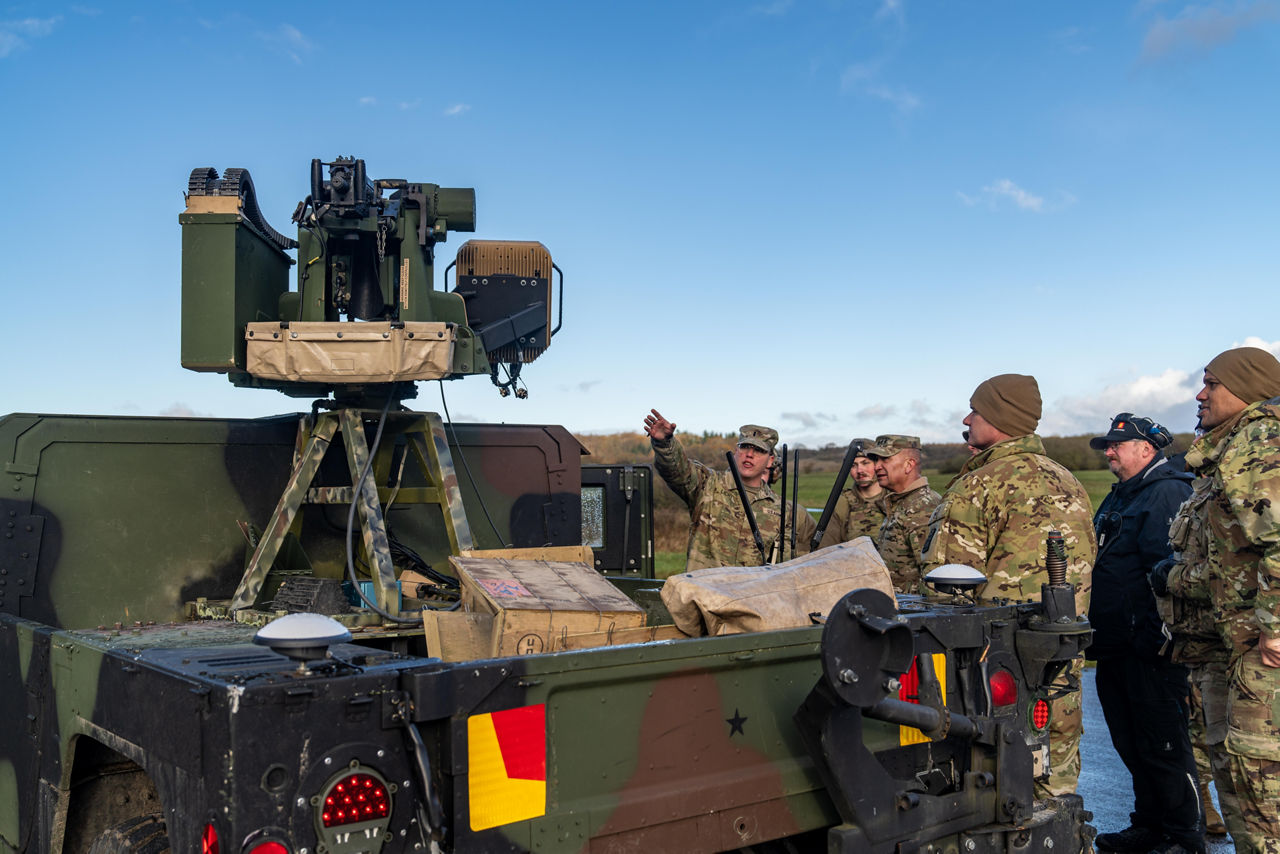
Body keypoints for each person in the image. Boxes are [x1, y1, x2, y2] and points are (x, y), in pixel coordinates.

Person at [921, 373, 1096, 800]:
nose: (967, 420)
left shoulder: (979, 486)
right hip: (1060, 665)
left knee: (995, 798)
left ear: (999, 417)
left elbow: (944, 591)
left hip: (995, 677)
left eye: (975, 411)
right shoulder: (1069, 482)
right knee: (1055, 791)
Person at [1086, 414, 1201, 854]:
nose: (1109, 452)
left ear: (1147, 449)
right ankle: (1149, 824)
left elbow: (1166, 572)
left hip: (1150, 649)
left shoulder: (1166, 491)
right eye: (1108, 446)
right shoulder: (1122, 494)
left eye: (1117, 445)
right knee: (1132, 744)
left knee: (1165, 747)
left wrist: (1156, 641)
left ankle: (1183, 836)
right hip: (1116, 645)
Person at [1180, 346, 1280, 854]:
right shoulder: (1234, 445)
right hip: (1238, 645)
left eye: (1212, 383)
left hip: (1263, 653)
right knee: (1246, 784)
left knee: (1262, 788)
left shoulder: (1258, 441)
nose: (1201, 394)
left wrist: (1275, 628)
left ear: (1245, 387)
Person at [1152, 472, 1241, 842]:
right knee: (1202, 727)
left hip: (1226, 638)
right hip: (1199, 638)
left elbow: (1227, 570)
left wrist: (1173, 577)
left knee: (1223, 738)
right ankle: (1204, 805)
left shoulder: (1235, 492)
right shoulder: (1202, 491)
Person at [644, 410, 815, 571]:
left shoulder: (783, 510)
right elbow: (677, 470)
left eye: (759, 450)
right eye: (745, 447)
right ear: (735, 452)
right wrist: (665, 443)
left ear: (770, 461)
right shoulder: (708, 484)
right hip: (702, 590)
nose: (749, 454)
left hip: (749, 593)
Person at [863, 434, 940, 592]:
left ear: (909, 465)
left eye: (885, 459)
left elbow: (933, 581)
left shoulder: (923, 508)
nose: (876, 467)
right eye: (876, 460)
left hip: (909, 606)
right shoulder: (901, 503)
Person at [816, 439, 886, 548]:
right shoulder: (842, 503)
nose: (859, 470)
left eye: (865, 463)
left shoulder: (895, 498)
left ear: (878, 464)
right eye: (853, 465)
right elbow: (827, 549)